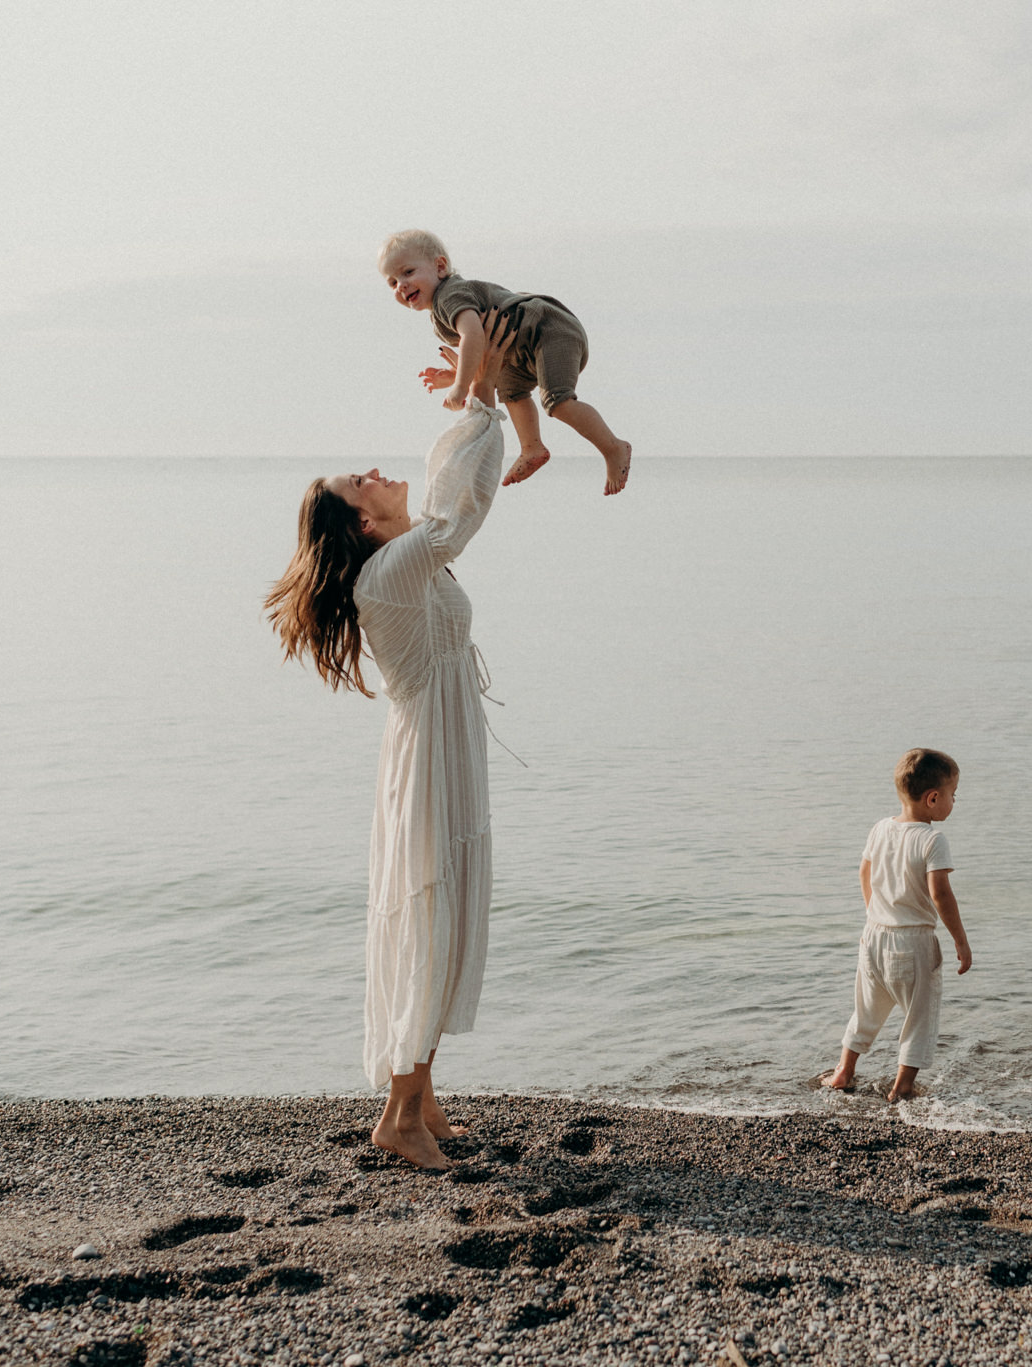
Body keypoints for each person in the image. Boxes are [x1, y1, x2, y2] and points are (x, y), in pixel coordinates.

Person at [263, 320, 518, 1170]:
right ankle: (398, 1121)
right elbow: (458, 511)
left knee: (441, 912)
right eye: (359, 482)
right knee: (431, 916)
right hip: (428, 761)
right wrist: (477, 403)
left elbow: (447, 513)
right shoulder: (393, 568)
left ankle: (423, 1097)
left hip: (441, 748)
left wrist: (479, 390)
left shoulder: (398, 560)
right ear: (364, 521)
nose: (375, 472)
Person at [378, 228, 634, 497]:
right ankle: (532, 447)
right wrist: (457, 375)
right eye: (392, 282)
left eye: (407, 272)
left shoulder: (449, 295)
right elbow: (481, 350)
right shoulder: (440, 312)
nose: (401, 285)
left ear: (440, 267)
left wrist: (460, 387)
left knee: (558, 403)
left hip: (547, 330)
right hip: (521, 351)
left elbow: (474, 336)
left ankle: (613, 447)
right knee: (511, 391)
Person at [821, 748, 973, 1102]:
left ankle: (843, 1071)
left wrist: (875, 912)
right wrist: (960, 942)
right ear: (933, 798)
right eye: (953, 795)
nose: (954, 801)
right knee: (920, 1017)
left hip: (873, 936)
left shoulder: (880, 828)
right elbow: (941, 894)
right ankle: (902, 1087)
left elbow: (865, 872)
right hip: (914, 942)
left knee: (866, 1009)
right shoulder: (933, 839)